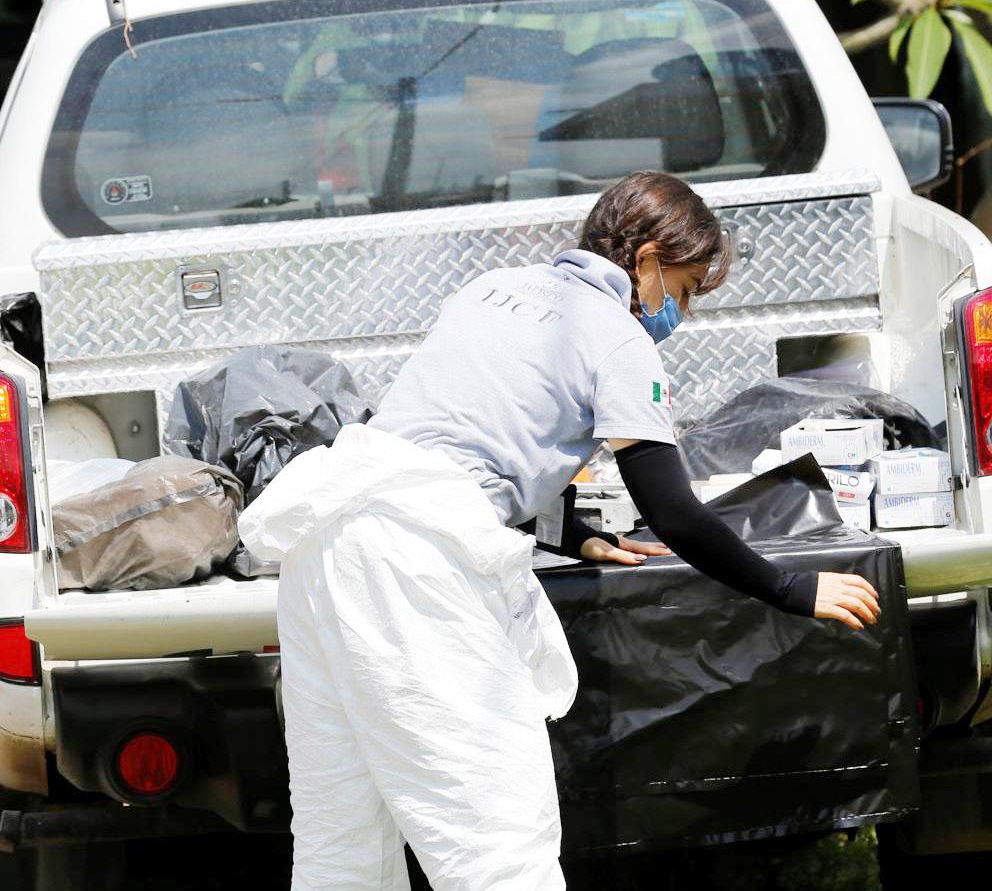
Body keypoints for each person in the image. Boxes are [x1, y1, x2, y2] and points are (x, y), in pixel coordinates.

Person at [240, 171, 882, 891]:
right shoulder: (617, 338)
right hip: (413, 564)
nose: (683, 311)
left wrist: (571, 531)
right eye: (685, 288)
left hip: (327, 543)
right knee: (499, 844)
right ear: (647, 260)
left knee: (341, 843)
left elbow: (476, 429)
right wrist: (791, 587)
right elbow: (673, 511)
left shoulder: (491, 288)